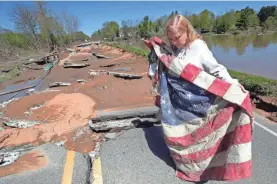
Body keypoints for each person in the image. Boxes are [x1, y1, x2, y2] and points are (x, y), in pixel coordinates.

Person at [146, 14, 253, 183]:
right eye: (171, 38)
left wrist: (232, 83)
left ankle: (198, 167)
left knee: (197, 134)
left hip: (198, 100)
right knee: (179, 132)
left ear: (187, 31)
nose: (174, 41)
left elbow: (215, 69)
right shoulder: (174, 48)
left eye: (178, 37)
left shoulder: (198, 47)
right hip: (178, 102)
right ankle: (183, 162)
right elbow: (168, 60)